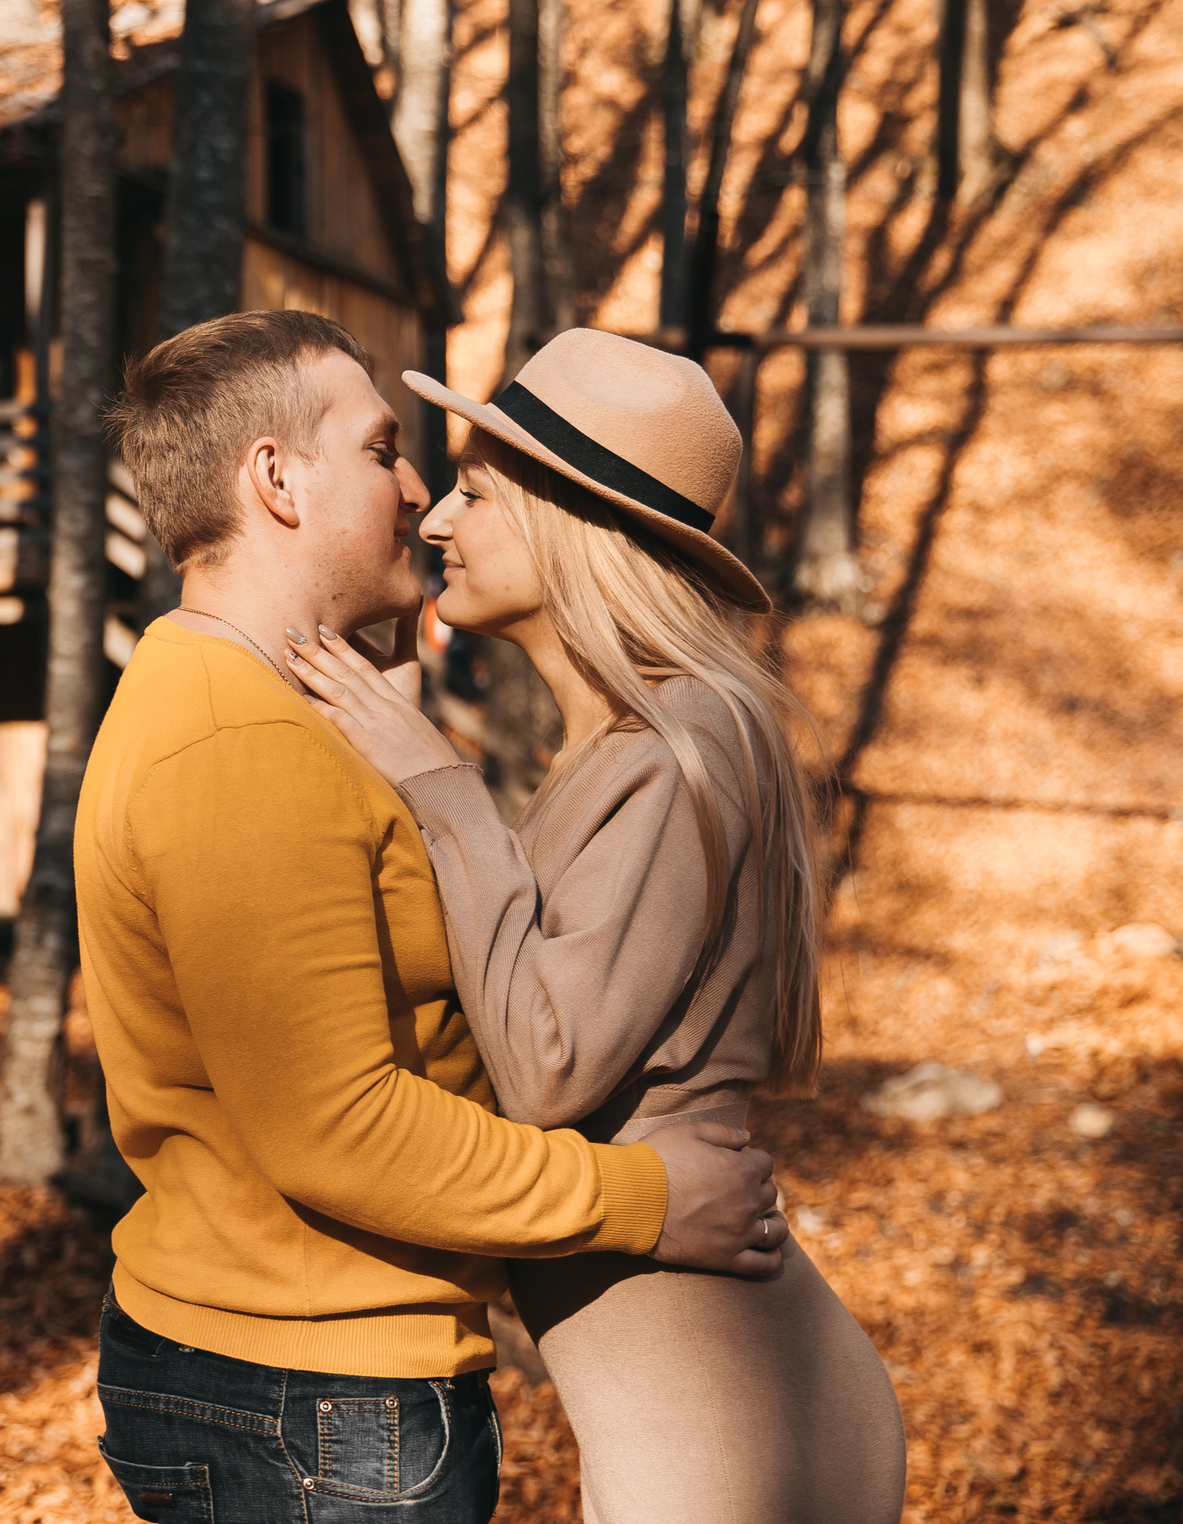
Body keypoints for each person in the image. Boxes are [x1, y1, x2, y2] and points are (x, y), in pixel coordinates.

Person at [78, 311, 787, 1524]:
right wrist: (648, 1201)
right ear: (275, 480)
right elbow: (343, 1131)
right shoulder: (241, 743)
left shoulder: (269, 712)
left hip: (311, 1382)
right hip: (310, 1392)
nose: (415, 492)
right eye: (382, 450)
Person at [281, 328, 906, 1524]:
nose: (435, 521)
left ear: (575, 526)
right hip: (722, 1393)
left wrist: (435, 779)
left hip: (723, 1426)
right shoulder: (626, 746)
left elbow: (549, 1065)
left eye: (474, 491)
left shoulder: (680, 746)